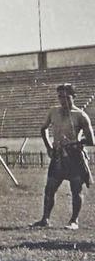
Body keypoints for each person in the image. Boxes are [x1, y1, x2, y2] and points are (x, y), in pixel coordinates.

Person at [30, 83, 93, 230]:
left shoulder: (80, 115)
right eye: (60, 97)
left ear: (73, 97)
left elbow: (91, 140)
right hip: (58, 156)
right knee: (49, 188)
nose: (63, 100)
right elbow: (43, 129)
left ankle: (74, 221)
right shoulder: (53, 112)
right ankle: (45, 219)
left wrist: (76, 142)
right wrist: (49, 147)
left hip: (74, 157)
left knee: (76, 189)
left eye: (66, 97)